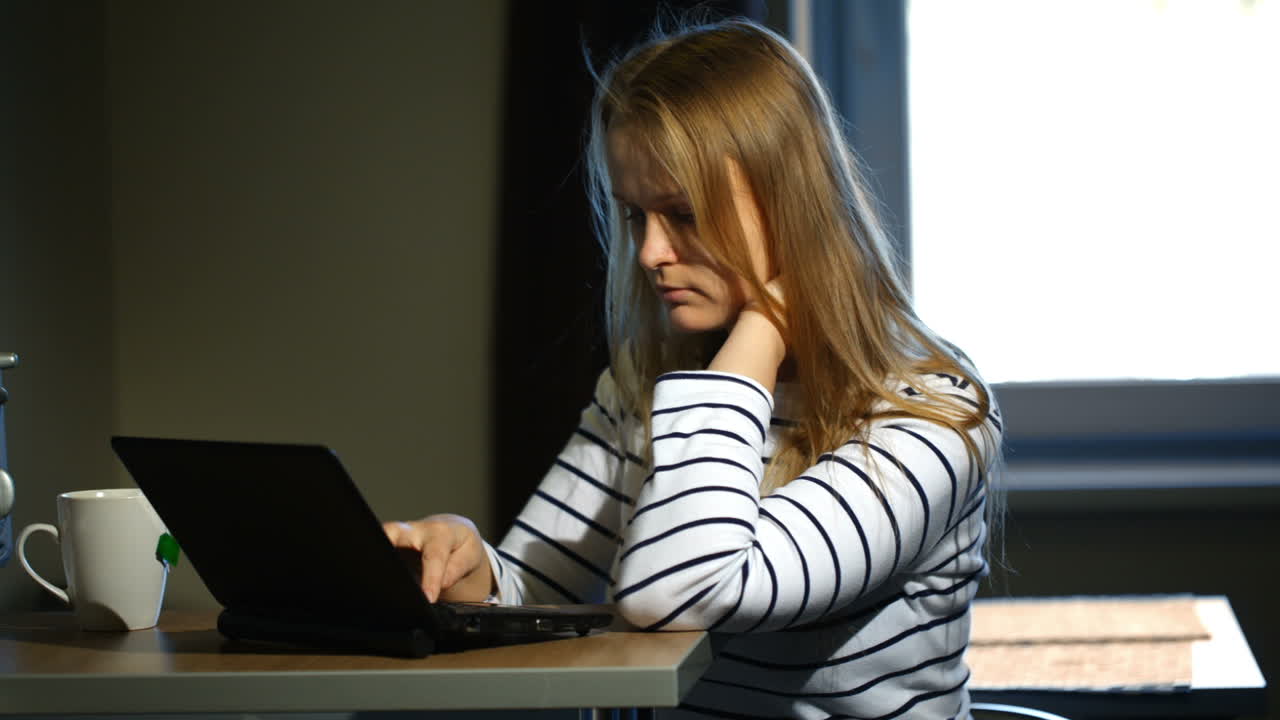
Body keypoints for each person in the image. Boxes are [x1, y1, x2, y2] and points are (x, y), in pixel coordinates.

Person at [385, 17, 1003, 720]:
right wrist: (469, 569)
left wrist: (763, 330)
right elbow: (537, 591)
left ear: (790, 207)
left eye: (683, 214)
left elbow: (677, 590)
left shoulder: (929, 417)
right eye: (634, 217)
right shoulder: (644, 387)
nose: (650, 253)